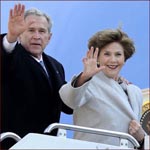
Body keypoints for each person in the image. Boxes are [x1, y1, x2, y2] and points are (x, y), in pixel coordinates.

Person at [0, 4, 72, 149]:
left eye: (42, 31)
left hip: (46, 143)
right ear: (20, 33)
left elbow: (67, 104)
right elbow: (5, 55)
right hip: (13, 143)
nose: (37, 36)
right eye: (31, 30)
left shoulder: (56, 66)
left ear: (49, 37)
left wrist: (87, 78)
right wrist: (11, 37)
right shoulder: (11, 55)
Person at [59, 29, 145, 148]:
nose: (113, 60)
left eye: (118, 54)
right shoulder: (88, 83)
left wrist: (142, 138)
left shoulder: (135, 92)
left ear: (125, 58)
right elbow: (70, 100)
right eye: (107, 54)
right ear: (97, 57)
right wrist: (85, 76)